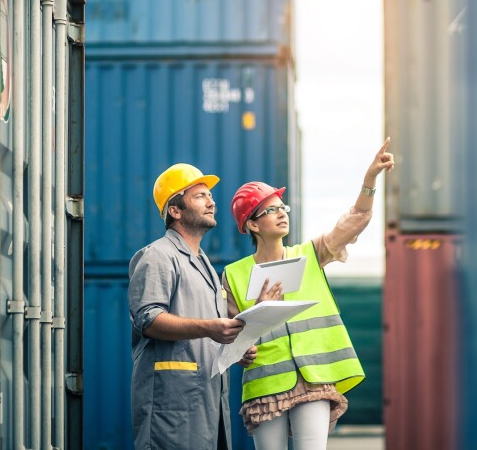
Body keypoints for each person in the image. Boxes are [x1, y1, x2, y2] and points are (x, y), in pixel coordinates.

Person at [223, 139, 395, 450]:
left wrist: (369, 181)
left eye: (281, 207)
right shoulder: (233, 275)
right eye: (270, 209)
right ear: (252, 224)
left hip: (314, 378)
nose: (281, 213)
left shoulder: (311, 254)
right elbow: (230, 341)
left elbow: (355, 221)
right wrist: (250, 332)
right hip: (266, 386)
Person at [128, 163, 257, 450]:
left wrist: (234, 349)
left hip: (208, 405)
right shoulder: (157, 256)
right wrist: (210, 329)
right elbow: (147, 320)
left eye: (210, 195)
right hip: (172, 404)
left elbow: (208, 333)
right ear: (175, 210)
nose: (211, 201)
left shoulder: (206, 265)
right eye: (200, 196)